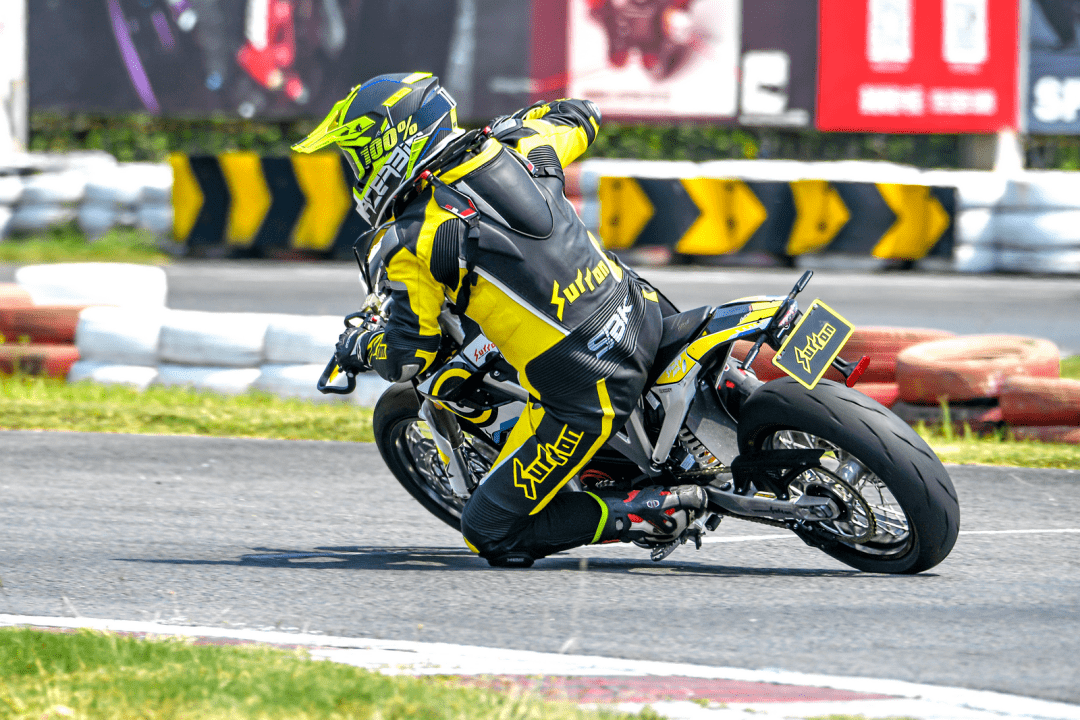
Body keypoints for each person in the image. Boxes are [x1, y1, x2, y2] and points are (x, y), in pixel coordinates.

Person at [292, 72, 705, 567]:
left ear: (389, 146)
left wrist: (361, 346)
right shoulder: (522, 146)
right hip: (642, 313)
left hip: (590, 388)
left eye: (357, 156)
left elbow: (407, 358)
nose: (355, 170)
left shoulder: (411, 240)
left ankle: (650, 511)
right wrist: (520, 120)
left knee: (488, 530)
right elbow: (582, 113)